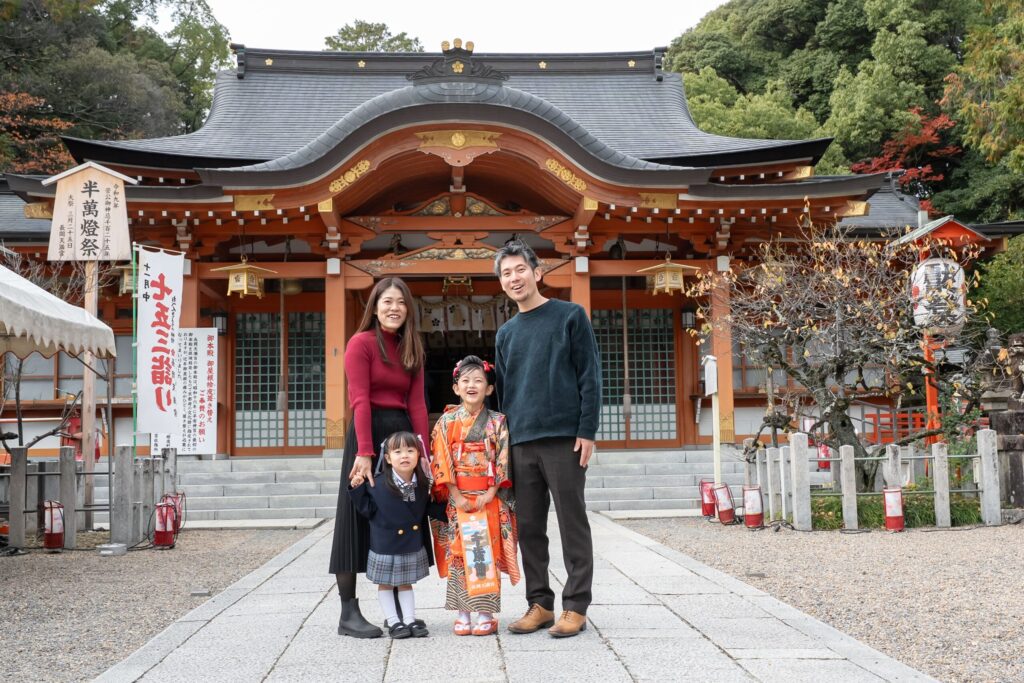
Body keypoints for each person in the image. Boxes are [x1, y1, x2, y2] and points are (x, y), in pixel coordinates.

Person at [494, 239, 600, 638]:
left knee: (573, 522)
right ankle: (539, 603)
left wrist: (587, 430)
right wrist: (503, 445)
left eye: (520, 269)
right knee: (529, 526)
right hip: (521, 441)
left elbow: (590, 376)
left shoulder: (570, 316)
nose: (514, 278)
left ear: (537, 273)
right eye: (506, 273)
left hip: (563, 439)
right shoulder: (506, 333)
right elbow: (503, 394)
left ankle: (576, 606)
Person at [328, 277, 431, 639]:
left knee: (402, 516)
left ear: (409, 309)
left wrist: (425, 457)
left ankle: (403, 610)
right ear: (374, 306)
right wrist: (366, 452)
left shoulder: (412, 347)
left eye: (401, 302)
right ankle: (348, 612)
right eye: (387, 301)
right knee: (356, 518)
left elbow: (418, 405)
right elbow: (359, 400)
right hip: (367, 436)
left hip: (402, 436)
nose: (394, 308)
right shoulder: (361, 343)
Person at [430, 355, 520, 636]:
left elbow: (503, 458)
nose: (472, 385)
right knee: (459, 552)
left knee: (485, 552)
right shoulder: (446, 421)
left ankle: (484, 613)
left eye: (478, 380)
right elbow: (441, 458)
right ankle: (462, 614)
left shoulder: (497, 422)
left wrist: (491, 491)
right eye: (465, 380)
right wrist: (454, 493)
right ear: (456, 388)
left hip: (488, 498)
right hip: (459, 497)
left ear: (489, 389)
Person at [349, 431, 442, 639]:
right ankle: (394, 622)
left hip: (410, 542)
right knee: (386, 584)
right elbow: (367, 510)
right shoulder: (377, 483)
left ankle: (409, 619)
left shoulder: (423, 483)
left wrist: (451, 512)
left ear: (418, 455)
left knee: (406, 583)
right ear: (388, 458)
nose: (405, 455)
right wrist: (357, 489)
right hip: (385, 543)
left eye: (410, 450)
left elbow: (424, 508)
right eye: (398, 451)